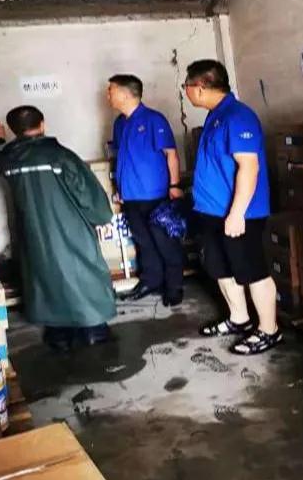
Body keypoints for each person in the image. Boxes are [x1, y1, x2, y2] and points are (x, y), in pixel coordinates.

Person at [0, 106, 116, 352]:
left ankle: (58, 334)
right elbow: (89, 196)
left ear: (14, 131)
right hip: (69, 229)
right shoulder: (61, 157)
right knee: (82, 274)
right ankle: (93, 330)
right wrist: (101, 217)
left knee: (44, 278)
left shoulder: (10, 160)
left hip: (33, 233)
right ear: (42, 124)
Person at [184, 59, 282, 356]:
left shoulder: (238, 116)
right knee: (220, 268)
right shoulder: (216, 116)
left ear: (200, 87)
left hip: (240, 215)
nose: (186, 91)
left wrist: (237, 213)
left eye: (186, 85)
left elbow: (249, 167)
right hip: (212, 213)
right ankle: (239, 318)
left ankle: (269, 330)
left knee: (252, 271)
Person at [107, 74, 185, 306]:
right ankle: (151, 281)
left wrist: (174, 186)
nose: (108, 95)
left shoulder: (154, 120)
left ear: (124, 94)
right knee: (144, 243)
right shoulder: (119, 123)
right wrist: (120, 189)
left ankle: (174, 287)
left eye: (111, 91)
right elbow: (122, 157)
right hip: (131, 196)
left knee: (165, 243)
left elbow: (171, 154)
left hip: (156, 195)